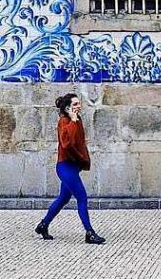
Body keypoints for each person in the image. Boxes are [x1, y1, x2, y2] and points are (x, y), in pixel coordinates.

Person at [35, 93, 106, 245]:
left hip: (73, 167)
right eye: (75, 104)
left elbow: (79, 143)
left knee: (63, 199)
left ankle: (43, 225)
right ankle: (90, 233)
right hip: (65, 167)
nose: (78, 106)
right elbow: (67, 143)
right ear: (67, 108)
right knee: (82, 197)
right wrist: (73, 122)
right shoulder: (64, 122)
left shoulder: (76, 120)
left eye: (78, 103)